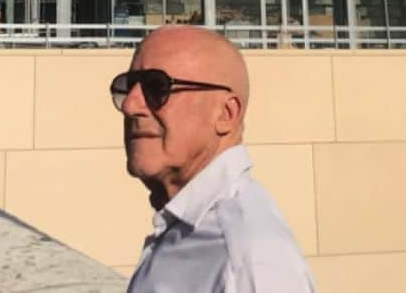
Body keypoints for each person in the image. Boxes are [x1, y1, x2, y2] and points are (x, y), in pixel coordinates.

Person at [112, 25, 315, 292]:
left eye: (157, 87)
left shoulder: (250, 261)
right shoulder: (191, 229)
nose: (130, 105)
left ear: (226, 114)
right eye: (128, 86)